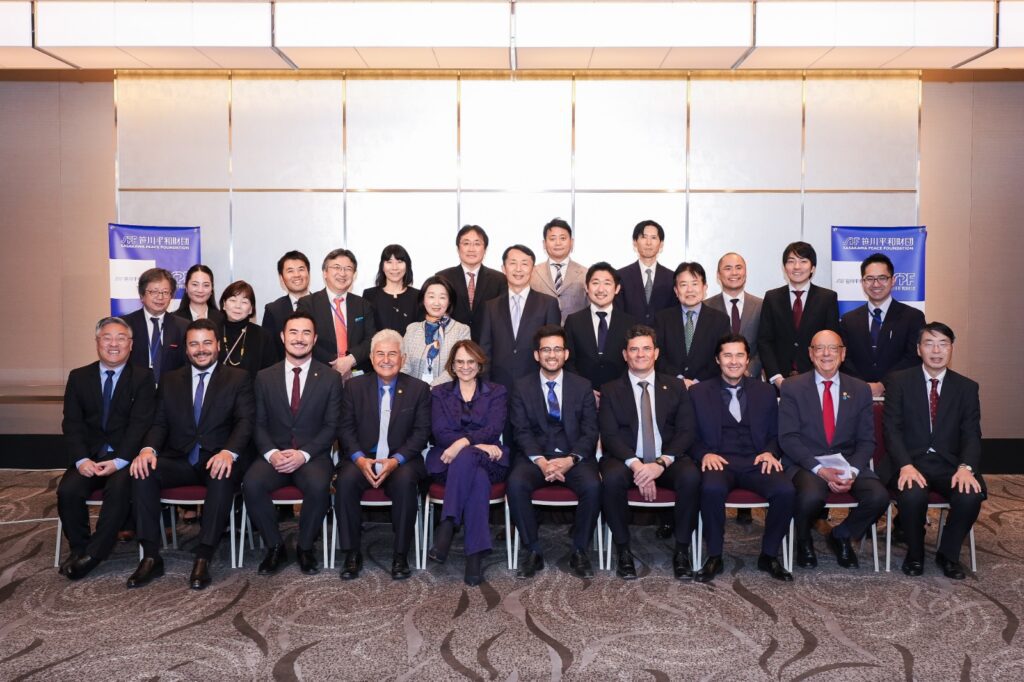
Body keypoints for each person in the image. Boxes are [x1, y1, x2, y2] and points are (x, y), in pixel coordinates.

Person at [128, 320, 254, 589]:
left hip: (217, 457)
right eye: (194, 344)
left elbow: (245, 422)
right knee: (143, 471)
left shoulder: (238, 378)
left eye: (207, 343)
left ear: (218, 346)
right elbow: (160, 422)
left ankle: (204, 555)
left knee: (223, 476)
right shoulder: (171, 379)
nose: (201, 350)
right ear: (186, 349)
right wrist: (148, 450)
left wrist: (229, 452)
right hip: (180, 458)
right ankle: (150, 556)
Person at [242, 311, 342, 576]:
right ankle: (275, 546)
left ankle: (305, 547)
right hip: (274, 454)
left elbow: (332, 425)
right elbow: (258, 423)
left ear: (315, 338)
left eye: (306, 333)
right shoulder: (264, 377)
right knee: (251, 484)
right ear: (283, 337)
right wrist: (272, 454)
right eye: (294, 332)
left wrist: (304, 455)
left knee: (320, 486)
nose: (299, 339)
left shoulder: (330, 378)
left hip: (312, 455)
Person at [778, 330, 888, 569]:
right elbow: (788, 438)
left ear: (843, 353)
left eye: (833, 348)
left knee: (879, 497)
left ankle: (842, 535)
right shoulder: (792, 387)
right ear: (810, 353)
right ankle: (803, 540)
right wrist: (819, 469)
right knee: (811, 496)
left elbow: (867, 441)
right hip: (806, 462)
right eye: (819, 348)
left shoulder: (859, 389)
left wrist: (853, 472)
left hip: (848, 463)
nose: (826, 354)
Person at [689, 334, 794, 582]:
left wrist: (771, 452)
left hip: (757, 460)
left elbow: (776, 432)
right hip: (719, 460)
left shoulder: (766, 391)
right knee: (711, 488)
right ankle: (715, 555)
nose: (733, 361)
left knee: (785, 490)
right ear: (717, 359)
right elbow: (687, 434)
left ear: (748, 360)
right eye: (727, 355)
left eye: (739, 355)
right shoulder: (698, 392)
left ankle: (769, 555)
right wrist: (703, 453)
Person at [56, 317, 156, 580]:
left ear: (131, 344)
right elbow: (72, 423)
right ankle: (79, 549)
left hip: (125, 457)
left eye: (121, 338)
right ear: (98, 342)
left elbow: (140, 424)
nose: (114, 344)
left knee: (119, 489)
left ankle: (94, 554)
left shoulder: (143, 377)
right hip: (89, 455)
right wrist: (80, 460)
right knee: (68, 491)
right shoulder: (79, 377)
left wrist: (121, 460)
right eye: (107, 338)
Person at [883, 322, 984, 579]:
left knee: (971, 494)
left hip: (949, 464)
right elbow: (891, 430)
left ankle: (947, 554)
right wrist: (905, 465)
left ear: (951, 349)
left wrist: (966, 468)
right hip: (909, 461)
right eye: (929, 343)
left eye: (943, 344)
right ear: (919, 349)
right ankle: (915, 554)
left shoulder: (966, 387)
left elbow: (972, 434)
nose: (936, 350)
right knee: (913, 494)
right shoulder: (899, 381)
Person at [599, 325, 699, 580]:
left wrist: (660, 463)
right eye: (634, 349)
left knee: (691, 477)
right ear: (625, 354)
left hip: (667, 459)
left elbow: (686, 432)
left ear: (656, 353)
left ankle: (682, 550)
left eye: (646, 348)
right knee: (610, 479)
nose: (640, 354)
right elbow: (609, 435)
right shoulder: (611, 390)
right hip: (627, 459)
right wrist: (638, 466)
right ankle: (623, 550)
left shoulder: (676, 387)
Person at [335, 330, 431, 581]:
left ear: (403, 358)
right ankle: (352, 552)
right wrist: (358, 458)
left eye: (392, 354)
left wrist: (395, 461)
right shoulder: (354, 387)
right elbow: (344, 428)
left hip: (403, 460)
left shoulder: (419, 389)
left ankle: (400, 554)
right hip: (362, 457)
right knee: (344, 481)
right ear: (370, 357)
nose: (386, 359)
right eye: (380, 354)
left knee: (405, 482)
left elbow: (421, 433)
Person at [507, 326, 600, 579]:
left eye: (557, 349)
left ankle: (579, 550)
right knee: (516, 484)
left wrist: (570, 460)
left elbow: (590, 431)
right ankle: (532, 550)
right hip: (536, 457)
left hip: (573, 457)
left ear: (566, 354)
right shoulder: (521, 386)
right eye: (546, 349)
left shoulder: (582, 386)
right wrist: (542, 462)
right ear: (537, 355)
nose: (552, 354)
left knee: (593, 486)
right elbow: (521, 431)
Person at [425, 340, 509, 586]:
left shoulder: (497, 391)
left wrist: (463, 443)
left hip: (488, 458)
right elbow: (440, 432)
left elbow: (494, 428)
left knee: (470, 458)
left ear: (479, 363)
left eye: (470, 361)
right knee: (477, 478)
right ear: (452, 365)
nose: (465, 367)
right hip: (446, 461)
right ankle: (474, 557)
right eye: (459, 362)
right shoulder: (439, 393)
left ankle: (448, 524)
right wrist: (474, 444)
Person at [479, 244, 561, 396]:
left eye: (524, 264)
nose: (518, 269)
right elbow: (485, 349)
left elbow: (554, 349)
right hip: (498, 387)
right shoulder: (491, 306)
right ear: (504, 268)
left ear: (533, 269)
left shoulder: (548, 303)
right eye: (512, 263)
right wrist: (485, 386)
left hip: (536, 386)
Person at [840, 253, 925, 397]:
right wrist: (863, 386)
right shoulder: (849, 320)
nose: (876, 284)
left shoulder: (913, 317)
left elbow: (913, 357)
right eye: (870, 279)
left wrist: (883, 384)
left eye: (882, 278)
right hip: (857, 395)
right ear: (862, 282)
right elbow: (844, 358)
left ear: (893, 280)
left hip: (900, 394)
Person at [759, 241, 840, 389]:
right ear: (784, 268)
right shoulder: (772, 297)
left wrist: (820, 375)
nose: (797, 267)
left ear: (812, 268)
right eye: (791, 261)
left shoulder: (827, 298)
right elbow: (765, 341)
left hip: (816, 381)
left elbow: (832, 341)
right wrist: (776, 378)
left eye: (803, 261)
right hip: (779, 382)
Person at [298, 248, 378, 378]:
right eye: (337, 267)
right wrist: (336, 363)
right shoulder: (307, 304)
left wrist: (351, 359)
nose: (342, 273)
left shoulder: (363, 304)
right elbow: (305, 338)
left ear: (354, 274)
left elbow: (371, 339)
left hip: (357, 374)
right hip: (320, 373)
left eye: (348, 269)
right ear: (325, 272)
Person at [564, 262, 636, 398]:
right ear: (586, 287)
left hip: (621, 395)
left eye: (607, 283)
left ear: (617, 288)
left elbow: (634, 360)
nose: (601, 289)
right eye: (595, 283)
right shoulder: (574, 321)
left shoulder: (629, 322)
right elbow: (568, 361)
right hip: (582, 396)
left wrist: (616, 389)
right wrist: (585, 390)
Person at [655, 262, 731, 387]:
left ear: (705, 288)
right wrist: (679, 380)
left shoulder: (720, 320)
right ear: (676, 290)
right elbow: (658, 355)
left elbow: (722, 355)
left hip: (708, 388)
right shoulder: (662, 319)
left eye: (695, 284)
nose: (689, 290)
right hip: (670, 388)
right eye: (683, 285)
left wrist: (696, 381)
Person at [436, 225, 507, 339]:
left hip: (486, 345)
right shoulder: (443, 277)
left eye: (477, 244)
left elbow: (502, 318)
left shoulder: (499, 279)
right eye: (466, 243)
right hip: (451, 343)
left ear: (485, 249)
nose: (471, 249)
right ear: (458, 248)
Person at [123, 267, 189, 385]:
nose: (160, 297)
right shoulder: (125, 324)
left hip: (171, 393)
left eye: (165, 292)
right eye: (154, 292)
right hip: (134, 392)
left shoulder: (183, 326)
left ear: (171, 296)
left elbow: (186, 365)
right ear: (142, 295)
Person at [703, 252, 764, 380]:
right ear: (718, 275)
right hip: (714, 380)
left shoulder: (761, 305)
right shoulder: (706, 307)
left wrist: (749, 370)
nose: (734, 273)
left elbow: (765, 344)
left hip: (752, 381)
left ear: (745, 273)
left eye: (738, 267)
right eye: (728, 268)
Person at [401, 275, 470, 386]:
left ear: (449, 301)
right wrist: (414, 391)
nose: (436, 302)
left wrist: (432, 388)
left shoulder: (461, 330)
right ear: (423, 300)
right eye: (431, 296)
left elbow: (457, 367)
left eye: (442, 297)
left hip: (446, 393)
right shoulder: (412, 329)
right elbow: (404, 365)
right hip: (414, 393)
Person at [615, 220, 676, 326]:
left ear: (661, 244)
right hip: (629, 339)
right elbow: (617, 314)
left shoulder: (672, 278)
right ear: (635, 242)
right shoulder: (620, 276)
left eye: (653, 238)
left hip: (662, 340)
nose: (648, 243)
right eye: (644, 237)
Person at [529, 218, 588, 323]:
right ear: (544, 243)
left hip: (575, 335)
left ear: (572, 242)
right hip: (541, 334)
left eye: (563, 238)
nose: (558, 243)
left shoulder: (585, 273)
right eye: (552, 239)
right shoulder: (532, 273)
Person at [219, 280, 277, 379]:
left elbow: (271, 374)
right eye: (233, 300)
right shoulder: (212, 332)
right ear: (224, 304)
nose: (238, 306)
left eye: (244, 302)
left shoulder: (263, 336)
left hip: (252, 393)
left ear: (251, 309)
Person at [362, 244, 422, 334]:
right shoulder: (369, 295)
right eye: (389, 262)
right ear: (382, 266)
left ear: (407, 265)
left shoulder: (418, 296)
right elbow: (366, 332)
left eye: (400, 261)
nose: (394, 267)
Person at [263, 251, 311, 360]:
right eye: (290, 271)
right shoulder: (273, 310)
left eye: (301, 269)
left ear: (308, 273)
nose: (297, 275)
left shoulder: (323, 304)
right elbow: (269, 351)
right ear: (281, 278)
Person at [172, 264, 225, 332]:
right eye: (195, 284)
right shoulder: (174, 319)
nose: (200, 290)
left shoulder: (222, 318)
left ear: (212, 289)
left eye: (206, 285)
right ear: (186, 287)